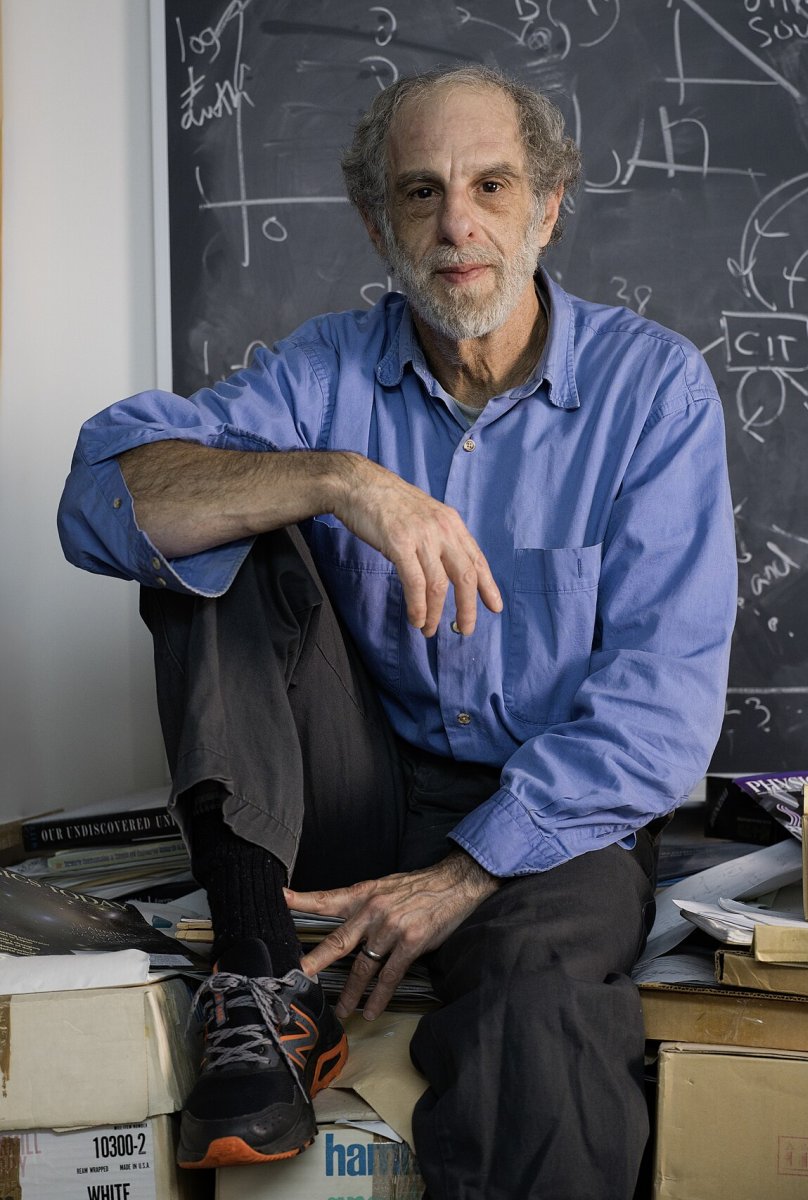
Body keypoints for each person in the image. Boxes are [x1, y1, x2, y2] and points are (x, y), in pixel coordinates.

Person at [58, 65, 736, 1200]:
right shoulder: (324, 372)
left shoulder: (653, 392)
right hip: (354, 792)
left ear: (549, 208)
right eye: (421, 192)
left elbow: (661, 712)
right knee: (219, 522)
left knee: (542, 1018)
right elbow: (101, 500)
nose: (457, 224)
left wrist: (464, 874)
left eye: (491, 186)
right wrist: (338, 478)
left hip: (555, 820)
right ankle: (261, 980)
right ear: (379, 225)